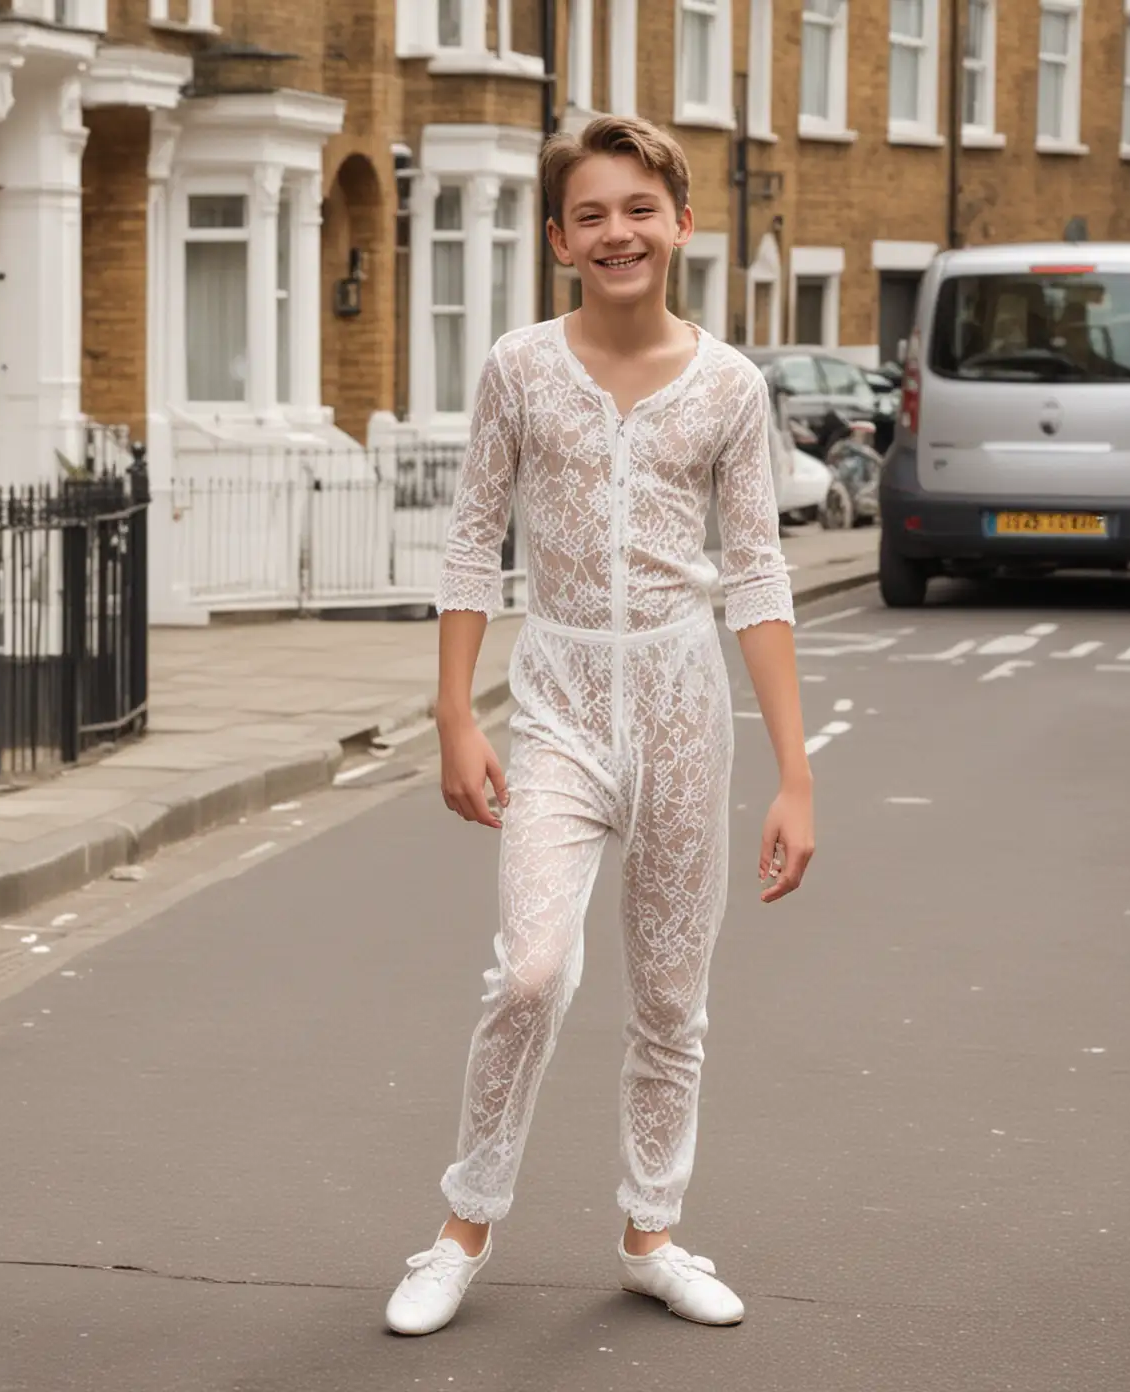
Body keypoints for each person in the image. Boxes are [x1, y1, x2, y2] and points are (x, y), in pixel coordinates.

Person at [384, 115, 816, 1337]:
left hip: (686, 708)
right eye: (591, 214)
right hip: (560, 699)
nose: (617, 230)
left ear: (679, 220)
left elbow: (758, 576)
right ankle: (462, 1225)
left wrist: (796, 775)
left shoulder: (732, 387)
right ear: (564, 241)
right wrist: (457, 713)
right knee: (532, 971)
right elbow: (474, 538)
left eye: (640, 207)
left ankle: (652, 1234)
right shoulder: (520, 370)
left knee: (672, 998)